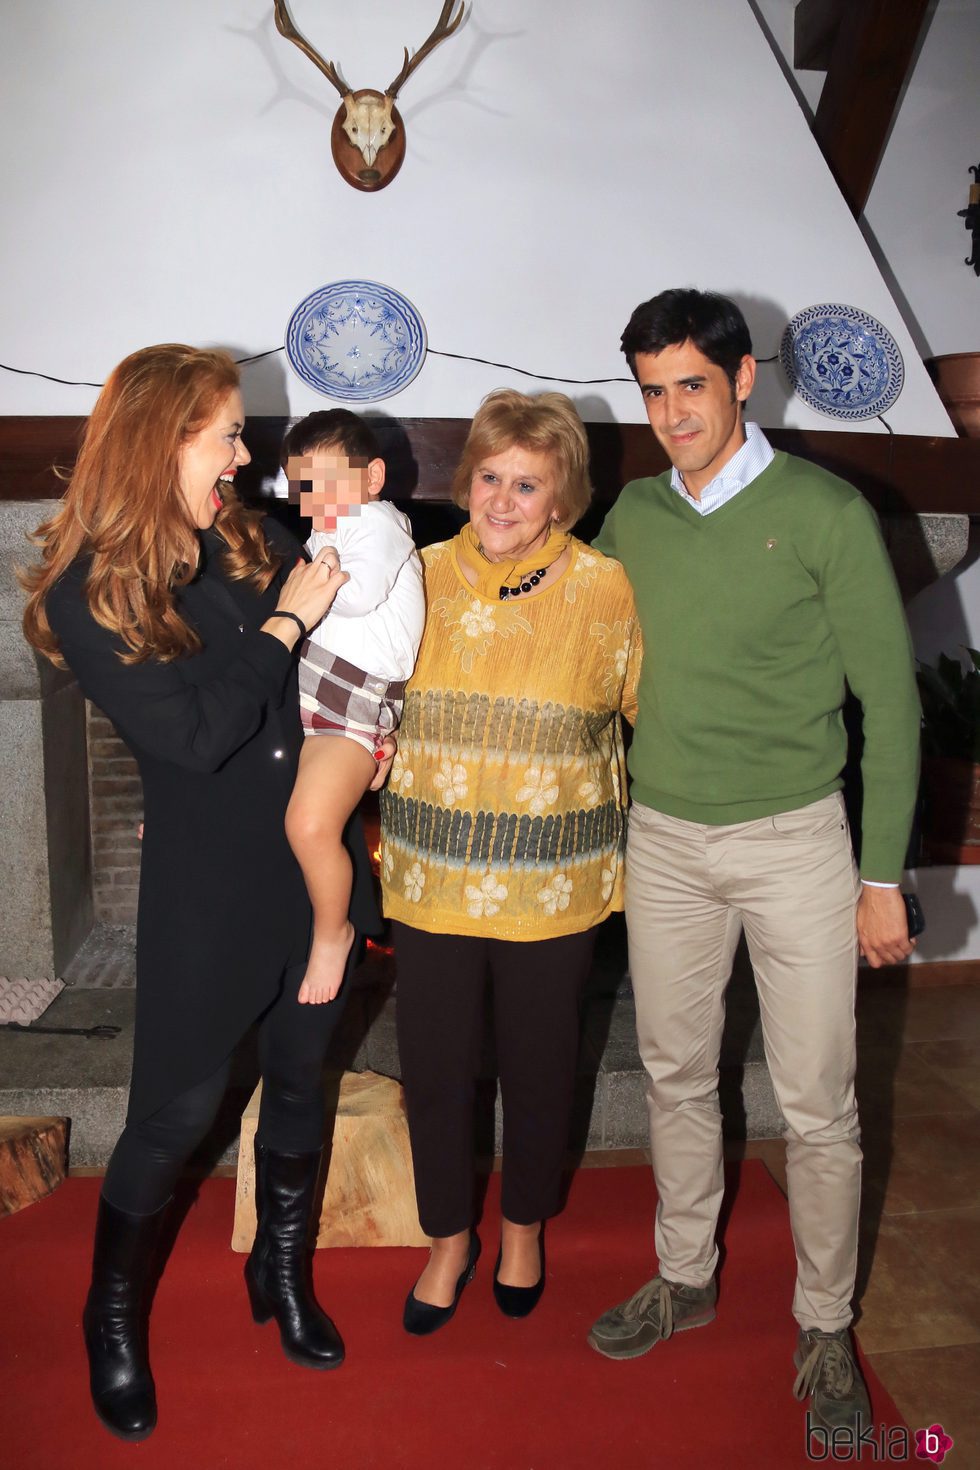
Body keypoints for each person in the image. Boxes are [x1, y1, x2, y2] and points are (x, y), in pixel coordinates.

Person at [21, 345, 388, 1442]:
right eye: (224, 433)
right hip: (208, 887)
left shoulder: (244, 536)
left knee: (299, 1076)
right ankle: (113, 1316)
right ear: (158, 441)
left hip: (307, 868)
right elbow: (195, 733)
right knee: (174, 1113)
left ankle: (278, 1275)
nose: (244, 454)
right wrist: (287, 622)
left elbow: (331, 678)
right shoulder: (92, 587)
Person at [587, 289, 920, 1438]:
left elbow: (889, 700)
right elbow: (562, 642)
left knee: (816, 1104)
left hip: (795, 847)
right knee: (675, 1075)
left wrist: (881, 877)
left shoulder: (824, 510)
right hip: (666, 842)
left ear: (741, 380)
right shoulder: (630, 513)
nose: (670, 410)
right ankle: (685, 1276)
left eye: (689, 384)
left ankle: (823, 1320)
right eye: (650, 390)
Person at [379, 388, 642, 1334]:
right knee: (437, 1066)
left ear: (561, 495)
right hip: (431, 877)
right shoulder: (412, 574)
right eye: (489, 476)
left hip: (556, 884)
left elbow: (648, 713)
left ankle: (524, 1224)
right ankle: (449, 1237)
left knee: (538, 1065)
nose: (500, 499)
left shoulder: (605, 588)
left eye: (525, 484)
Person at [281, 410, 424, 1005]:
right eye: (302, 487)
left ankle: (334, 931)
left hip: (353, 702)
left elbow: (357, 596)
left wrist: (304, 583)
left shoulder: (374, 523)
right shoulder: (331, 532)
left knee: (309, 825)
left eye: (326, 482)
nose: (312, 500)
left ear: (371, 479)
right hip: (311, 689)